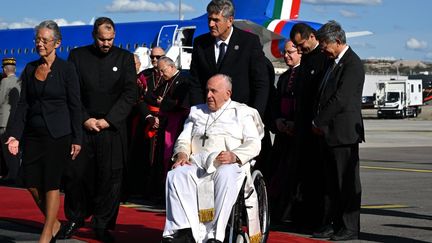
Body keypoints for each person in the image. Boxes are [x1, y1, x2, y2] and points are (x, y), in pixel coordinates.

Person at [59, 17, 137, 242]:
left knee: (110, 178)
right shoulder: (78, 56)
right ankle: (75, 217)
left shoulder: (124, 58)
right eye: (102, 39)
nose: (106, 44)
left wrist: (109, 120)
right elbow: (72, 92)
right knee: (76, 174)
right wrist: (85, 119)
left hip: (112, 128)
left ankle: (103, 223)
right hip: (84, 126)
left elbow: (130, 93)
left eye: (110, 39)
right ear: (94, 36)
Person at [162, 74, 264, 243]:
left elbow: (254, 143)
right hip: (198, 163)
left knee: (227, 174)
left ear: (228, 94)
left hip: (227, 164)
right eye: (207, 90)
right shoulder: (197, 112)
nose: (208, 95)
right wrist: (181, 154)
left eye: (213, 91)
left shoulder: (243, 112)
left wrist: (235, 155)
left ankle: (215, 235)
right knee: (176, 174)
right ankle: (182, 230)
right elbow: (184, 139)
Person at [5, 20, 82, 243]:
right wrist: (15, 134)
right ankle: (55, 223)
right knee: (28, 180)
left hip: (58, 134)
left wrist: (77, 138)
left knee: (51, 183)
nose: (39, 44)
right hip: (33, 134)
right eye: (37, 39)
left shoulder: (67, 69)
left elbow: (75, 105)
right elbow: (24, 105)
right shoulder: (30, 69)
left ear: (57, 43)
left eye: (44, 40)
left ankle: (47, 233)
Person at [311, 20, 364, 241]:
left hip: (342, 133)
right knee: (331, 184)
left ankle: (350, 227)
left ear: (338, 41)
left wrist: (319, 121)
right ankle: (332, 223)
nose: (322, 48)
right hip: (328, 133)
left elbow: (341, 99)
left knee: (346, 183)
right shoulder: (331, 63)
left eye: (324, 44)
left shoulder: (353, 64)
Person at [189, 0, 269, 116]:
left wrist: (255, 115)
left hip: (240, 116)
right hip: (208, 115)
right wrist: (197, 112)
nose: (211, 24)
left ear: (230, 21)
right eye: (209, 19)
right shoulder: (201, 44)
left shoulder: (249, 42)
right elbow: (195, 82)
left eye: (216, 20)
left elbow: (261, 82)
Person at [289, 22, 330, 230]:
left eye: (302, 44)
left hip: (316, 128)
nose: (300, 49)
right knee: (303, 175)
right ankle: (304, 217)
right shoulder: (305, 60)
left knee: (317, 177)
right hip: (302, 127)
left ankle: (319, 220)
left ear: (313, 37)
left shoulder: (323, 58)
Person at [268, 40, 301, 222]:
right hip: (283, 132)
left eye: (290, 52)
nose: (286, 56)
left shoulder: (304, 75)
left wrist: (293, 123)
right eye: (285, 52)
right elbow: (276, 102)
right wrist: (279, 120)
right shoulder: (283, 77)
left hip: (297, 132)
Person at [0, 57, 21, 183]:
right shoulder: (20, 81)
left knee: (6, 149)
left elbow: (0, 100)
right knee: (15, 149)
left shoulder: (4, 82)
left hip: (4, 121)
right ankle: (16, 173)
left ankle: (12, 175)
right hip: (16, 121)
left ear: (4, 69)